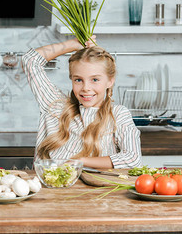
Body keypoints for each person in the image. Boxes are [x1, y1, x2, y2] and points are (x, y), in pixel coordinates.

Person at [22, 37, 142, 169]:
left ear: (110, 81)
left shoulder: (118, 114)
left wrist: (81, 161)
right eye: (78, 80)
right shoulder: (55, 106)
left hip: (97, 189)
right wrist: (73, 44)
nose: (86, 88)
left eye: (95, 79)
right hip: (51, 189)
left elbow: (133, 159)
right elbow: (30, 61)